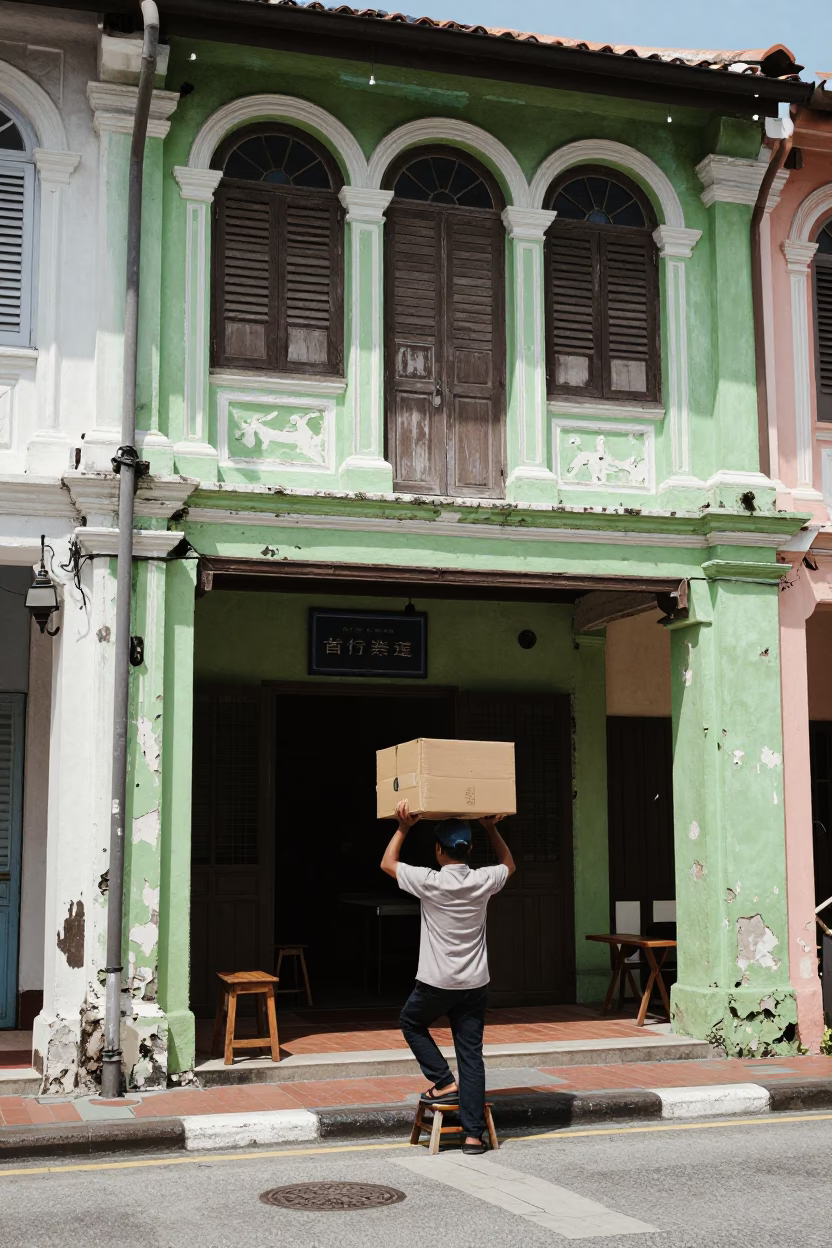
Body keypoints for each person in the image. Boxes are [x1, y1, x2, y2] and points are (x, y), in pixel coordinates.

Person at [380, 799, 515, 1154]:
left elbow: (387, 863)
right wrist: (491, 827)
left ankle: (443, 1081)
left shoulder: (430, 881)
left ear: (438, 850)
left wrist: (404, 827)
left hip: (436, 983)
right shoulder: (484, 879)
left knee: (410, 1021)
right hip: (474, 984)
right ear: (469, 850)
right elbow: (509, 865)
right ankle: (473, 1137)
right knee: (471, 1055)